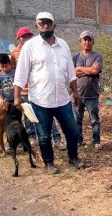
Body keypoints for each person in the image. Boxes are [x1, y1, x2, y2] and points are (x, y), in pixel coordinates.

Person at [13, 12, 84, 174]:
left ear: (54, 25)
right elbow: (21, 74)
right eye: (42, 23)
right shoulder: (30, 46)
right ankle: (49, 163)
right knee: (44, 136)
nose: (45, 26)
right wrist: (17, 97)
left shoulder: (63, 45)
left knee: (72, 131)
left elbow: (70, 72)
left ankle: (73, 158)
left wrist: (75, 92)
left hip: (62, 99)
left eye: (48, 23)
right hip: (40, 101)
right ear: (37, 25)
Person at [0, 26, 66, 151]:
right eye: (23, 37)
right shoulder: (14, 53)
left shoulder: (38, 48)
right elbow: (10, 68)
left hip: (39, 88)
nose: (26, 38)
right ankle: (32, 138)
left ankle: (57, 139)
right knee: (27, 116)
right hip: (24, 91)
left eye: (28, 36)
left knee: (47, 115)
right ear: (18, 38)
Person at [72, 30, 103, 150]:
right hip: (77, 94)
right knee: (77, 119)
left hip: (92, 95)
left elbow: (95, 71)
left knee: (94, 120)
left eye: (89, 39)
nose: (87, 42)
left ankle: (96, 141)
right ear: (80, 42)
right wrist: (88, 70)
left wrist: (79, 69)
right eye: (84, 39)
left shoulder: (97, 56)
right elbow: (71, 73)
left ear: (93, 42)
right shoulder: (75, 56)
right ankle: (79, 140)